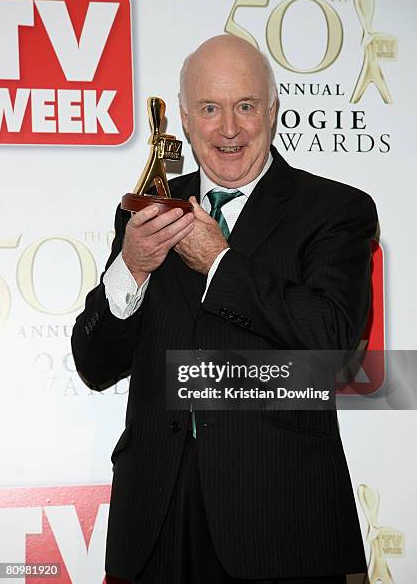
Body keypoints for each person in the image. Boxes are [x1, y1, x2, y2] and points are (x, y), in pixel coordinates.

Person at [71, 35, 376, 583]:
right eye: (210, 108)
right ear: (186, 120)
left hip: (282, 521)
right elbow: (94, 365)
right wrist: (132, 267)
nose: (229, 128)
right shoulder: (148, 213)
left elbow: (332, 345)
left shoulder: (335, 210)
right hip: (156, 519)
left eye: (246, 106)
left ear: (273, 111)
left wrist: (219, 262)